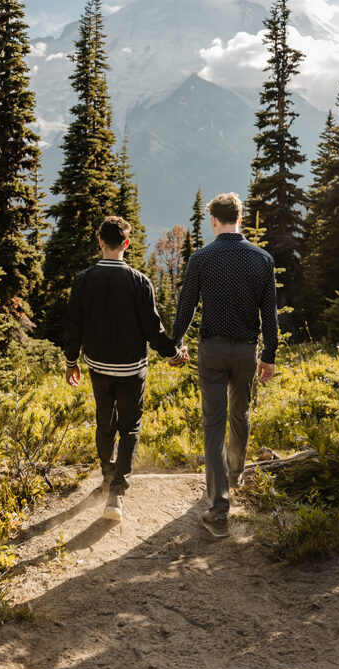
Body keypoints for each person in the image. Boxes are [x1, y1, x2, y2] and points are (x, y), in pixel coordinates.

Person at [63, 215, 187, 522]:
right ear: (126, 244)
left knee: (105, 422)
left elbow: (73, 326)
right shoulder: (139, 282)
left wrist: (71, 361)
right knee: (130, 427)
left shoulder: (83, 280)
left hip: (98, 368)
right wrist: (174, 352)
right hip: (132, 369)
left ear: (101, 242)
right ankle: (116, 492)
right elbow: (153, 331)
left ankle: (108, 475)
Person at [171, 192, 278, 538]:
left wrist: (176, 344)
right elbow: (269, 315)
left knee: (214, 424)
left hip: (212, 351)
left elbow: (185, 308)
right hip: (247, 352)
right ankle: (234, 473)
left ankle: (218, 510)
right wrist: (270, 355)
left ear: (214, 221)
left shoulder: (202, 258)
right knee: (240, 415)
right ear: (240, 218)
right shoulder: (262, 259)